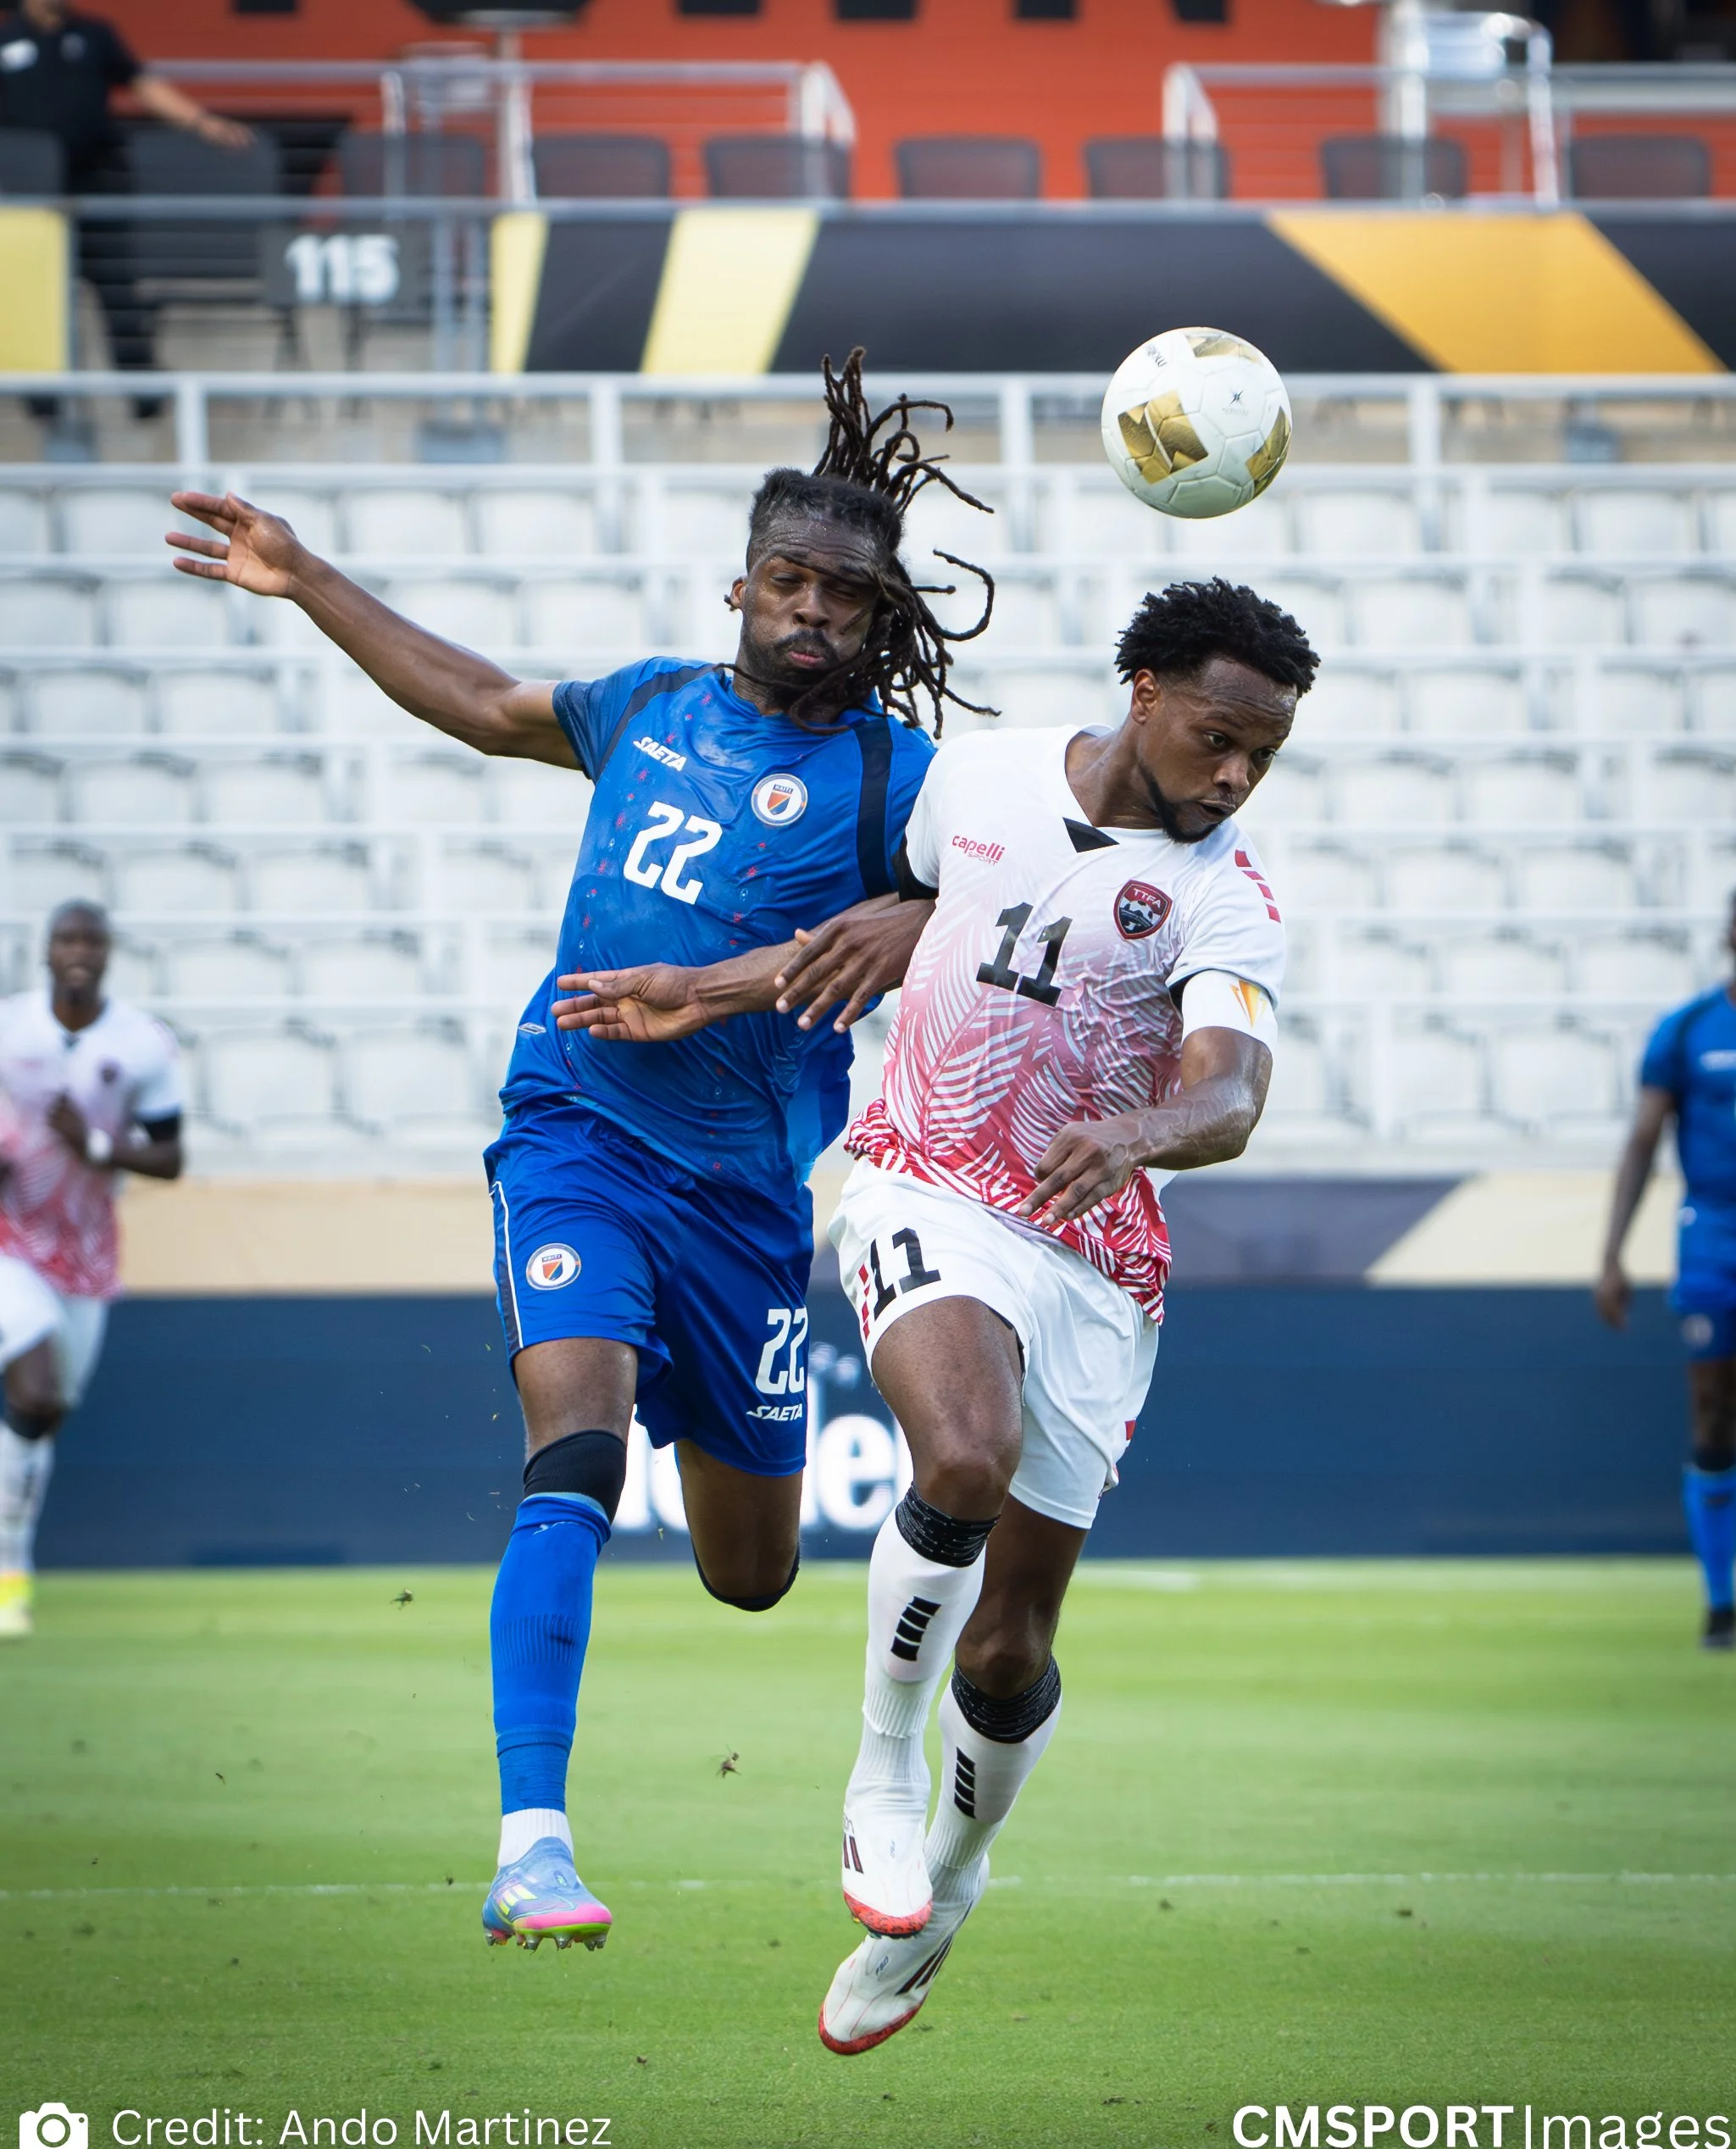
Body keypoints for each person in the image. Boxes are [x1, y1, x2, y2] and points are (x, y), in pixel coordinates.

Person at [163, 353, 990, 1952]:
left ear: (882, 620)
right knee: (574, 1449)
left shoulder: (906, 782)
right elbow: (481, 704)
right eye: (789, 579)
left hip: (746, 1202)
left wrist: (917, 908)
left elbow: (1016, 890)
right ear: (740, 584)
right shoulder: (649, 706)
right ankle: (531, 1843)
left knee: (749, 1574)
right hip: (576, 1136)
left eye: (845, 594)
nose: (812, 610)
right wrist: (303, 573)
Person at [563, 577, 1317, 2049]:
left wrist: (1150, 1128)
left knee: (1010, 1649)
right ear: (1143, 690)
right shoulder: (973, 777)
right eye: (1219, 737)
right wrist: (709, 988)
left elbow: (1230, 1087)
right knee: (956, 1458)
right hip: (928, 1181)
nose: (1234, 775)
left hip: (1095, 1255)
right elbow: (892, 928)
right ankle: (882, 1778)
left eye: (1263, 757)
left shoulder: (1228, 895)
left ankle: (952, 1887)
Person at [0, 899, 185, 1639]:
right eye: (66, 939)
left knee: (42, 1417)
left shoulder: (141, 1043)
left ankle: (11, 1568)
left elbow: (170, 1158)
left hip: (85, 1256)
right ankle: (10, 1581)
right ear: (46, 952)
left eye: (91, 941)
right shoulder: (10, 1028)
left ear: (106, 955)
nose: (78, 951)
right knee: (35, 1389)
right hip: (12, 1242)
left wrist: (98, 1149)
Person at [1596, 882, 1736, 1651]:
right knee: (1715, 1412)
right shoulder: (1690, 1029)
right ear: (1730, 931)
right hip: (1717, 1238)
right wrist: (1613, 1255)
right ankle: (1720, 1602)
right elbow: (1642, 1143)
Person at [0, 0, 251, 403]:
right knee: (38, 298)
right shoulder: (6, 40)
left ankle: (143, 394)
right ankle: (44, 402)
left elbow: (141, 83)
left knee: (117, 288)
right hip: (32, 198)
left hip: (98, 183)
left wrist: (202, 122)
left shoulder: (95, 33)